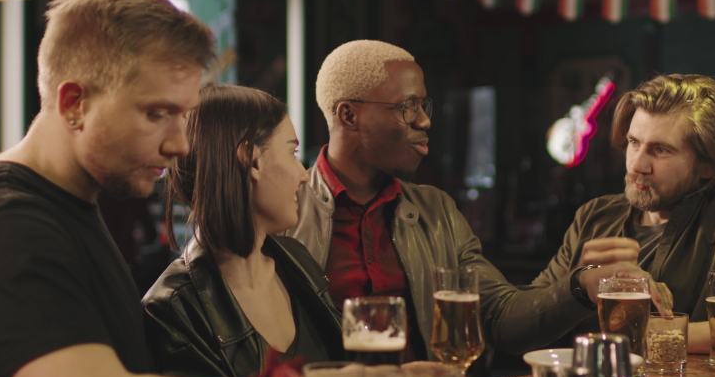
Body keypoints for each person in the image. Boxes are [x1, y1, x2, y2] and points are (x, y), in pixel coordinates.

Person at [284, 40, 670, 360]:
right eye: (407, 107)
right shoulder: (283, 209)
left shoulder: (436, 211)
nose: (424, 121)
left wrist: (583, 285)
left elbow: (500, 317)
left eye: (424, 106)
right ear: (349, 116)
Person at [0, 0, 248, 377]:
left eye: (183, 116)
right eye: (155, 114)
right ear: (74, 103)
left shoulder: (74, 203)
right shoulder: (8, 223)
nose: (181, 144)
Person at [531, 74, 715, 352]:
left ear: (708, 165)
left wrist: (649, 332)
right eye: (634, 142)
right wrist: (575, 286)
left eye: (660, 150)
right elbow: (524, 320)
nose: (637, 165)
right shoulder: (595, 216)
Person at [142, 85, 344, 377]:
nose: (304, 174)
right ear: (252, 160)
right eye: (293, 152)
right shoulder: (171, 309)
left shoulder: (295, 258)